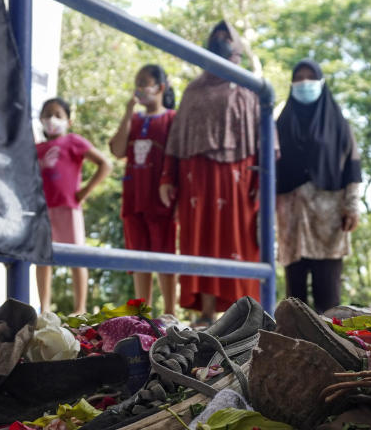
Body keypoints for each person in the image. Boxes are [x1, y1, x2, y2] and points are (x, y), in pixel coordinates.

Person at [159, 21, 270, 325]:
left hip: (239, 177)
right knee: (201, 243)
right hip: (196, 178)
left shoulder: (249, 86)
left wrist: (264, 182)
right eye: (216, 37)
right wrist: (168, 177)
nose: (221, 40)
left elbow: (266, 140)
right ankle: (206, 314)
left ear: (236, 48)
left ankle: (243, 316)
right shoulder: (194, 89)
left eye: (226, 37)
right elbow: (177, 138)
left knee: (237, 242)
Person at [276, 59, 361, 313]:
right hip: (292, 218)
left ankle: (331, 351)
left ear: (321, 83)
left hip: (329, 219)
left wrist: (352, 206)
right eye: (298, 78)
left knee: (329, 297)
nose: (304, 83)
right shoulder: (280, 124)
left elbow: (352, 167)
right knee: (295, 301)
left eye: (310, 77)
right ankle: (296, 351)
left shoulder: (339, 124)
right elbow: (269, 169)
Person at [109, 64, 178, 315]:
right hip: (133, 196)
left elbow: (177, 158)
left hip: (160, 199)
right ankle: (142, 314)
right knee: (138, 257)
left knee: (165, 255)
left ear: (160, 87)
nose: (140, 88)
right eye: (137, 82)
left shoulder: (172, 118)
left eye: (145, 82)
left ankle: (170, 312)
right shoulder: (135, 120)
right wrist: (128, 113)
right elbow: (117, 150)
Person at [35, 97, 112, 315]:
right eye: (48, 114)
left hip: (69, 208)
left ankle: (80, 309)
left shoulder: (73, 141)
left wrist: (85, 192)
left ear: (68, 121)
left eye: (58, 115)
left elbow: (105, 164)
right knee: (42, 257)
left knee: (77, 257)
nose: (52, 119)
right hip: (42, 210)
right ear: (41, 119)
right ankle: (45, 308)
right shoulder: (37, 149)